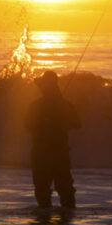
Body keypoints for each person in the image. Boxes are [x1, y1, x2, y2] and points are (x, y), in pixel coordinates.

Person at [25, 71, 81, 210]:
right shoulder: (66, 105)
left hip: (41, 154)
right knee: (65, 190)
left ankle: (46, 219)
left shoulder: (36, 105)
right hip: (60, 153)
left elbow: (27, 126)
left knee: (42, 189)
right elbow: (77, 124)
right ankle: (66, 221)